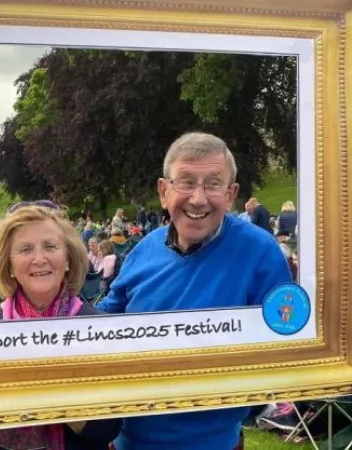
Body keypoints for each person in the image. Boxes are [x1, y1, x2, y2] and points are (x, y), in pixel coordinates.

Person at [97, 132, 292, 450]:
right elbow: (105, 319)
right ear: (164, 191)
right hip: (125, 441)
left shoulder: (260, 252)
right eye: (185, 182)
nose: (198, 198)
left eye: (213, 184)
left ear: (231, 195)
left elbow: (284, 344)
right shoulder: (143, 250)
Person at [0, 202, 121, 450]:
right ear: (9, 264)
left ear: (69, 258)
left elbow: (106, 429)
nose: (39, 259)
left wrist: (48, 390)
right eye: (25, 249)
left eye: (50, 246)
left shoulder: (98, 330)